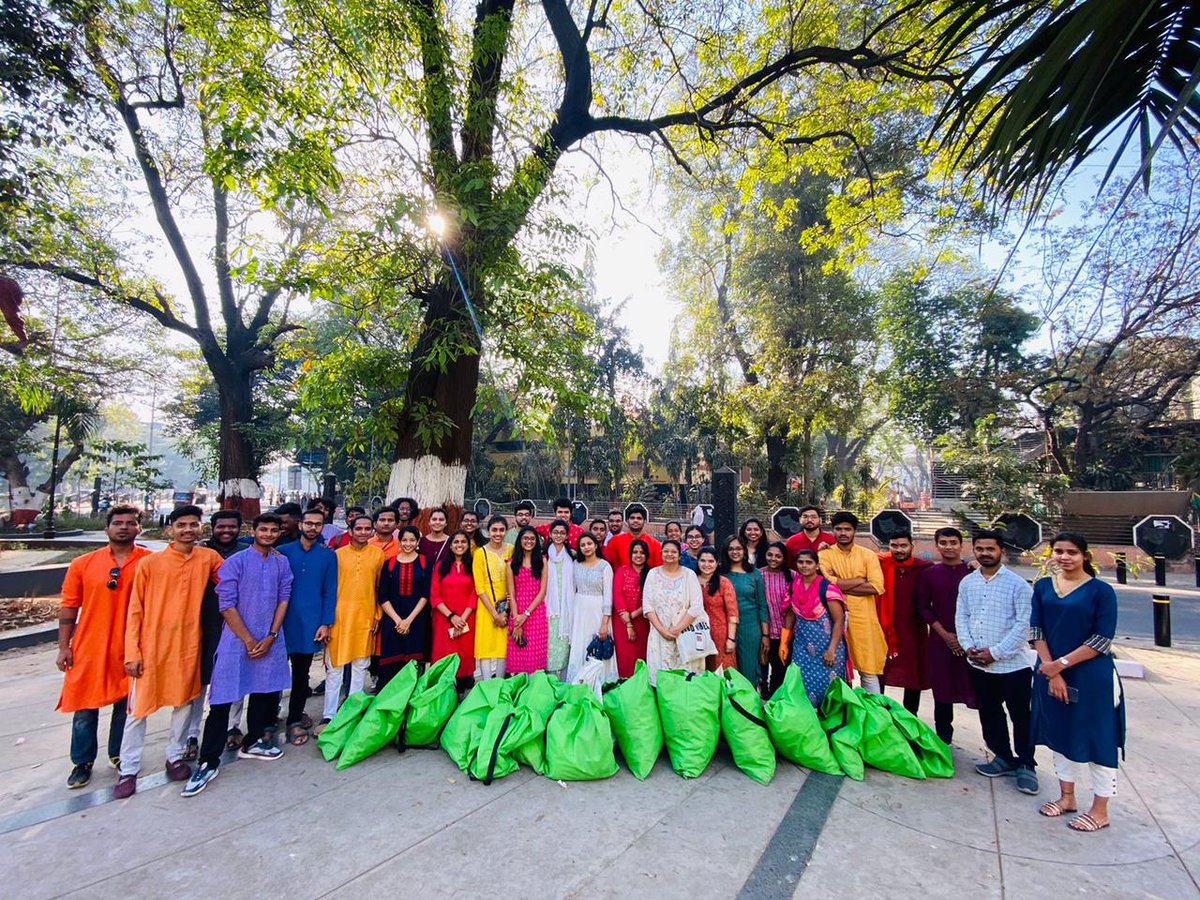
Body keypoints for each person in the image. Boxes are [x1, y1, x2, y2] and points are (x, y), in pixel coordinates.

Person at [114, 505, 223, 799]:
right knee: (138, 711)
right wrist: (131, 653)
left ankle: (174, 756)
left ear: (202, 528)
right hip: (151, 647)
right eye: (182, 525)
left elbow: (231, 580)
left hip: (189, 646)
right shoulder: (150, 564)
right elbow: (135, 610)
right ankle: (129, 768)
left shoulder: (208, 558)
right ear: (170, 530)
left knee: (184, 704)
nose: (188, 530)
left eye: (193, 525)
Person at [183, 514, 293, 797]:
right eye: (263, 529)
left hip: (270, 637)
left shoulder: (281, 562)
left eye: (273, 530)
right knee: (222, 699)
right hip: (236, 640)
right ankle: (208, 761)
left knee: (264, 692)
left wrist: (270, 636)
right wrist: (248, 639)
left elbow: (284, 598)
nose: (268, 534)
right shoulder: (236, 562)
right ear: (253, 531)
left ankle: (254, 741)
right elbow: (226, 604)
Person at [1032, 533, 1125, 833]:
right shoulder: (1044, 586)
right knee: (1059, 733)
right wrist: (1052, 671)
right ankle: (1067, 797)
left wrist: (1060, 665)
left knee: (1098, 739)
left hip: (1091, 675)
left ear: (1085, 555)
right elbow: (1036, 629)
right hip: (1050, 671)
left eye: (1071, 552)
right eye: (1058, 551)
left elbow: (1101, 639)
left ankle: (1100, 810)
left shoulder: (1101, 591)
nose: (1064, 557)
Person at [56, 505, 152, 789]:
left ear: (139, 528)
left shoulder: (149, 562)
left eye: (130, 523)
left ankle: (119, 754)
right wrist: (64, 646)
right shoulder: (83, 564)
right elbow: (69, 606)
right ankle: (81, 762)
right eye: (118, 523)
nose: (124, 527)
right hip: (90, 645)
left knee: (127, 704)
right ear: (106, 529)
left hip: (132, 644)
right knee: (85, 707)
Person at [957, 529, 1038, 796]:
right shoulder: (968, 582)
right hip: (979, 664)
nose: (984, 553)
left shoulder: (1017, 585)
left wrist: (996, 652)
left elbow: (1023, 626)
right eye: (980, 549)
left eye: (990, 549)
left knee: (1020, 716)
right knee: (989, 712)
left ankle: (1026, 764)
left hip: (1012, 666)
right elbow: (963, 616)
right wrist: (968, 646)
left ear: (1001, 550)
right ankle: (1002, 756)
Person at [186, 509, 246, 759]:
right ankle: (192, 733)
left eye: (232, 527)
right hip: (203, 621)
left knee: (236, 676)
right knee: (200, 679)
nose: (226, 531)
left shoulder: (245, 552)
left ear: (239, 529)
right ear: (212, 528)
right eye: (221, 527)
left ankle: (234, 726)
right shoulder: (199, 553)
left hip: (237, 622)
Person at [277, 507, 337, 746]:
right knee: (274, 675)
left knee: (301, 675)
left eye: (318, 524)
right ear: (300, 524)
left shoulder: (327, 555)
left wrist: (325, 622)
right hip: (281, 622)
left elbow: (330, 590)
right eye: (309, 523)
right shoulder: (282, 553)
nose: (313, 528)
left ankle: (294, 720)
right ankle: (268, 721)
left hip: (310, 623)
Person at [318, 515, 384, 731]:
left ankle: (353, 712)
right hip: (338, 619)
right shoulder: (336, 556)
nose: (363, 532)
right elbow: (327, 591)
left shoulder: (377, 555)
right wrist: (326, 621)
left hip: (365, 618)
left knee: (360, 666)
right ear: (351, 530)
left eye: (367, 529)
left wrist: (377, 615)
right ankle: (329, 715)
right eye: (359, 528)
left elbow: (378, 588)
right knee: (334, 668)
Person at [916, 527, 977, 744]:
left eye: (953, 542)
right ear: (937, 545)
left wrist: (964, 638)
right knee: (942, 690)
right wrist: (945, 635)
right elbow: (923, 608)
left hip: (973, 641)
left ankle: (996, 744)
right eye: (943, 543)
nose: (948, 547)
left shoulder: (973, 573)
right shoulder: (930, 574)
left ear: (962, 545)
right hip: (941, 640)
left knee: (979, 689)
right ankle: (944, 738)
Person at [819, 512, 886, 693]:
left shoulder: (868, 555)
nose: (843, 533)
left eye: (847, 529)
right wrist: (859, 580)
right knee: (835, 669)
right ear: (832, 531)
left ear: (854, 531)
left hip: (864, 619)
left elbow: (876, 587)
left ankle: (874, 714)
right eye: (838, 529)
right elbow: (826, 583)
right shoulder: (825, 555)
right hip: (834, 619)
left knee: (868, 671)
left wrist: (839, 584)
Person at [781, 549, 849, 708]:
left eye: (809, 562)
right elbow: (791, 615)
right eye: (801, 562)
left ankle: (829, 726)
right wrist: (784, 643)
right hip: (802, 648)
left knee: (828, 691)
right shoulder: (794, 586)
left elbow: (839, 621)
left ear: (817, 565)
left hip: (827, 649)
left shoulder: (827, 588)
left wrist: (831, 650)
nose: (804, 566)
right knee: (801, 687)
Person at [879, 531, 933, 712]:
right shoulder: (880, 564)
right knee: (879, 670)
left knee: (913, 673)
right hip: (884, 627)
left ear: (912, 545)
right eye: (894, 546)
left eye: (903, 546)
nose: (899, 550)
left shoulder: (924, 568)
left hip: (913, 629)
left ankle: (911, 716)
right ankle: (879, 713)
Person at [643, 539, 707, 685]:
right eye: (666, 551)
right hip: (658, 634)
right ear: (661, 553)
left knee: (685, 679)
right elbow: (647, 606)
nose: (669, 554)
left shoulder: (689, 575)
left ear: (679, 555)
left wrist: (677, 629)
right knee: (659, 677)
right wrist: (662, 630)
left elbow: (696, 606)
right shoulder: (653, 574)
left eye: (673, 552)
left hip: (685, 632)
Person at [377, 525, 431, 687]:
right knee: (391, 666)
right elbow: (383, 596)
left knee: (414, 665)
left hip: (416, 620)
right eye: (405, 540)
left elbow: (426, 594)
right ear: (399, 541)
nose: (408, 544)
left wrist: (408, 620)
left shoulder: (424, 562)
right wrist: (398, 621)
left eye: (412, 540)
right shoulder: (389, 564)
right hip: (392, 621)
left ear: (417, 542)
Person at [566, 532, 617, 696]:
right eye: (583, 545)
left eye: (589, 543)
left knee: (598, 648)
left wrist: (604, 623)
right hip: (579, 610)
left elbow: (608, 595)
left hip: (598, 611)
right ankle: (579, 686)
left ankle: (600, 688)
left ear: (596, 545)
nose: (586, 547)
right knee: (580, 646)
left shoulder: (605, 566)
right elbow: (571, 590)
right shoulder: (575, 564)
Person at [430, 531, 478, 694]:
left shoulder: (473, 566)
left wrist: (461, 619)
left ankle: (461, 691)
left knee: (464, 654)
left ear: (468, 545)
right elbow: (434, 595)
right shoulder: (441, 566)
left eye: (463, 542)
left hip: (467, 618)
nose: (460, 545)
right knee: (444, 654)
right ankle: (443, 692)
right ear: (450, 545)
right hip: (444, 618)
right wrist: (451, 617)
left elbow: (474, 594)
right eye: (456, 542)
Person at [720, 536, 770, 687]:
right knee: (727, 669)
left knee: (748, 669)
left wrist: (765, 635)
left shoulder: (754, 574)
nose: (735, 552)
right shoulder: (720, 573)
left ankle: (749, 705)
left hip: (750, 627)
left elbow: (762, 605)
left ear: (744, 550)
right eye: (731, 549)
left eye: (738, 548)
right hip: (724, 627)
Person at [505, 526, 549, 675]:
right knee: (518, 654)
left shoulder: (542, 561)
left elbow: (542, 592)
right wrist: (517, 619)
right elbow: (511, 592)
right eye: (525, 538)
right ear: (519, 541)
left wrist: (526, 614)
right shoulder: (511, 563)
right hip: (516, 611)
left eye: (532, 539)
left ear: (537, 541)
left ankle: (533, 693)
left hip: (536, 613)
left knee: (534, 657)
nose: (529, 541)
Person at [473, 515, 512, 680]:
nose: (498, 533)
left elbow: (515, 580)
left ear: (506, 531)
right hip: (486, 605)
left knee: (503, 647)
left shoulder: (511, 549)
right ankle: (487, 684)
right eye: (494, 530)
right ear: (488, 531)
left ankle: (499, 684)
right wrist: (494, 614)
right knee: (486, 646)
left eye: (501, 530)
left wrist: (506, 610)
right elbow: (479, 587)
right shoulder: (480, 553)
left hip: (507, 605)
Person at [695, 546, 738, 672]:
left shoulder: (724, 583)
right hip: (696, 634)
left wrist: (731, 639)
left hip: (720, 635)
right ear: (698, 562)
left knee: (722, 672)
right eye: (703, 561)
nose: (706, 564)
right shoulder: (690, 580)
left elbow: (732, 613)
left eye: (711, 561)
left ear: (716, 563)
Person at [612, 539, 650, 678]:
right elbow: (617, 595)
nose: (638, 555)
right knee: (624, 657)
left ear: (646, 555)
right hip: (621, 622)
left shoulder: (651, 574)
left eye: (642, 553)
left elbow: (651, 599)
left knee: (641, 656)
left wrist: (633, 615)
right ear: (630, 554)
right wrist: (628, 623)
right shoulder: (621, 571)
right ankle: (623, 688)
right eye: (635, 552)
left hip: (643, 622)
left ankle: (640, 689)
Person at [759, 541, 793, 696]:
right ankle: (773, 704)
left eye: (778, 556)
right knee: (773, 668)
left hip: (790, 632)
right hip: (768, 631)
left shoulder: (793, 576)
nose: (773, 559)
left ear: (784, 558)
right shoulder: (758, 575)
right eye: (770, 555)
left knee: (786, 670)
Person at [544, 519, 575, 678]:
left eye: (562, 533)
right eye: (555, 532)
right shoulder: (543, 555)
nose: (558, 535)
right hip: (548, 609)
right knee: (548, 645)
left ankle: (563, 680)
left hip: (567, 607)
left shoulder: (572, 555)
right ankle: (548, 680)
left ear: (567, 536)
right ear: (550, 534)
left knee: (564, 644)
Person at [604, 503, 663, 568]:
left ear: (645, 521)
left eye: (639, 518)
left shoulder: (655, 544)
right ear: (627, 521)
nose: (635, 520)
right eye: (632, 518)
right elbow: (607, 565)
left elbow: (658, 568)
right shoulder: (614, 541)